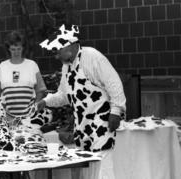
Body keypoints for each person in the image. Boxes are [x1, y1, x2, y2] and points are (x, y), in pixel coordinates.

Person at [37, 24, 126, 179]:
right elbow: (64, 96)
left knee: (103, 169)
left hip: (101, 123)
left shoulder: (92, 56)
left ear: (69, 47)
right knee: (88, 171)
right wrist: (45, 101)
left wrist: (116, 111)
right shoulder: (67, 67)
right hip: (82, 127)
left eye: (57, 51)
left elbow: (114, 83)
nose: (56, 56)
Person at [0, 31, 51, 130]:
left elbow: (40, 90)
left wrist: (34, 109)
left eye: (19, 49)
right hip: (8, 119)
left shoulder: (32, 65)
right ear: (8, 49)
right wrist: (4, 113)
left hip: (30, 119)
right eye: (13, 49)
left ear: (23, 48)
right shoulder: (2, 66)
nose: (16, 52)